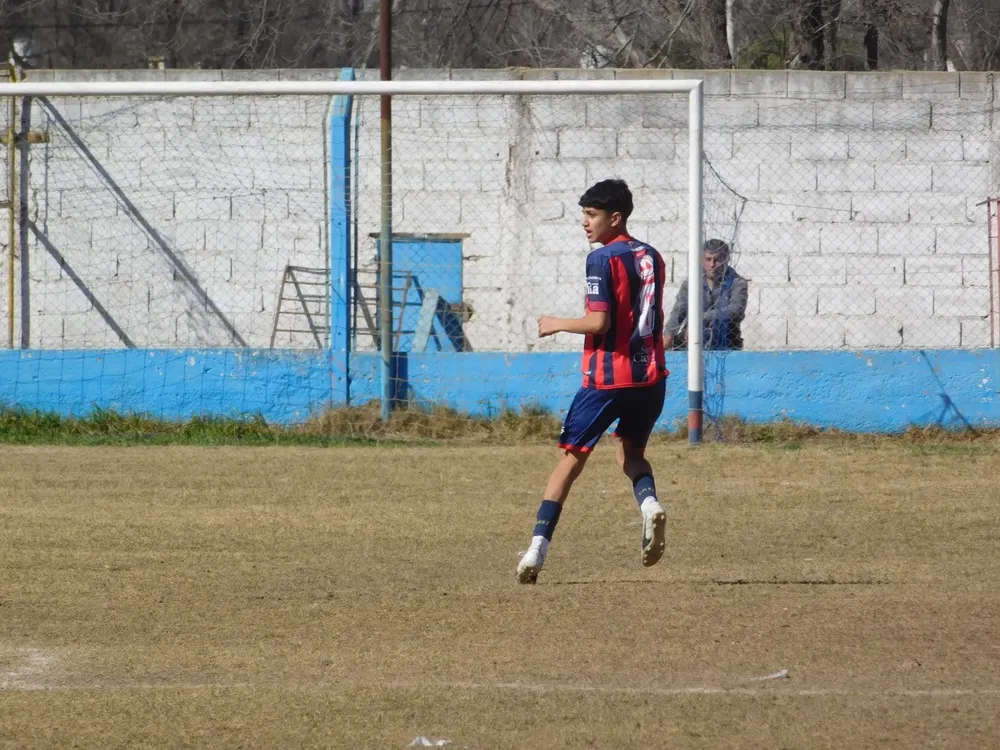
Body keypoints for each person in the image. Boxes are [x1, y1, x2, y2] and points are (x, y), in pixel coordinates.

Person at [516, 179, 669, 585]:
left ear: (615, 218)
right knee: (630, 456)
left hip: (607, 379)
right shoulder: (652, 256)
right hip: (650, 377)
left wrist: (556, 323)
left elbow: (600, 322)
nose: (585, 223)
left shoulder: (601, 259)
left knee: (570, 461)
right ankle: (650, 505)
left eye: (591, 215)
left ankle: (536, 550)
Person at [664, 238, 749, 351]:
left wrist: (700, 319)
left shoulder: (737, 282)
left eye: (717, 260)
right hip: (692, 334)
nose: (712, 264)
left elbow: (735, 309)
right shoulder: (692, 282)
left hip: (726, 336)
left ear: (726, 259)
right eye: (708, 259)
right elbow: (679, 309)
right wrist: (668, 334)